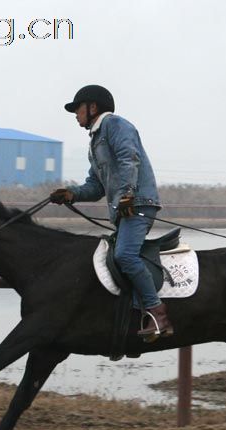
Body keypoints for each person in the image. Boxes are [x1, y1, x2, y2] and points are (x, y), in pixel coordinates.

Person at [49, 85, 173, 341]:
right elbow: (95, 186)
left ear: (92, 107)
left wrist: (127, 193)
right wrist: (71, 194)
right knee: (114, 256)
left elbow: (130, 158)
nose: (75, 115)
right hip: (124, 208)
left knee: (125, 256)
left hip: (137, 204)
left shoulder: (116, 126)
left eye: (77, 109)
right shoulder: (94, 143)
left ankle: (158, 314)